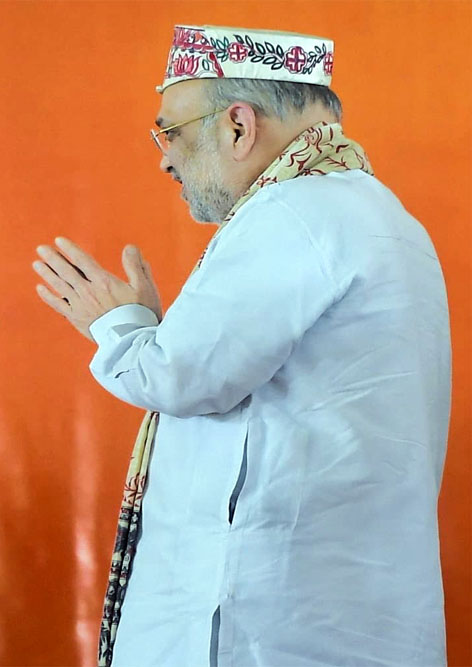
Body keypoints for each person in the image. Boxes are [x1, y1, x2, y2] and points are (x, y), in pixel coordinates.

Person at [34, 25, 450, 667]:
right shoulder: (382, 216)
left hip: (268, 626)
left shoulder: (294, 212)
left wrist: (118, 326)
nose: (165, 160)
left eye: (170, 133)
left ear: (237, 126)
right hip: (337, 615)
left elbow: (178, 376)